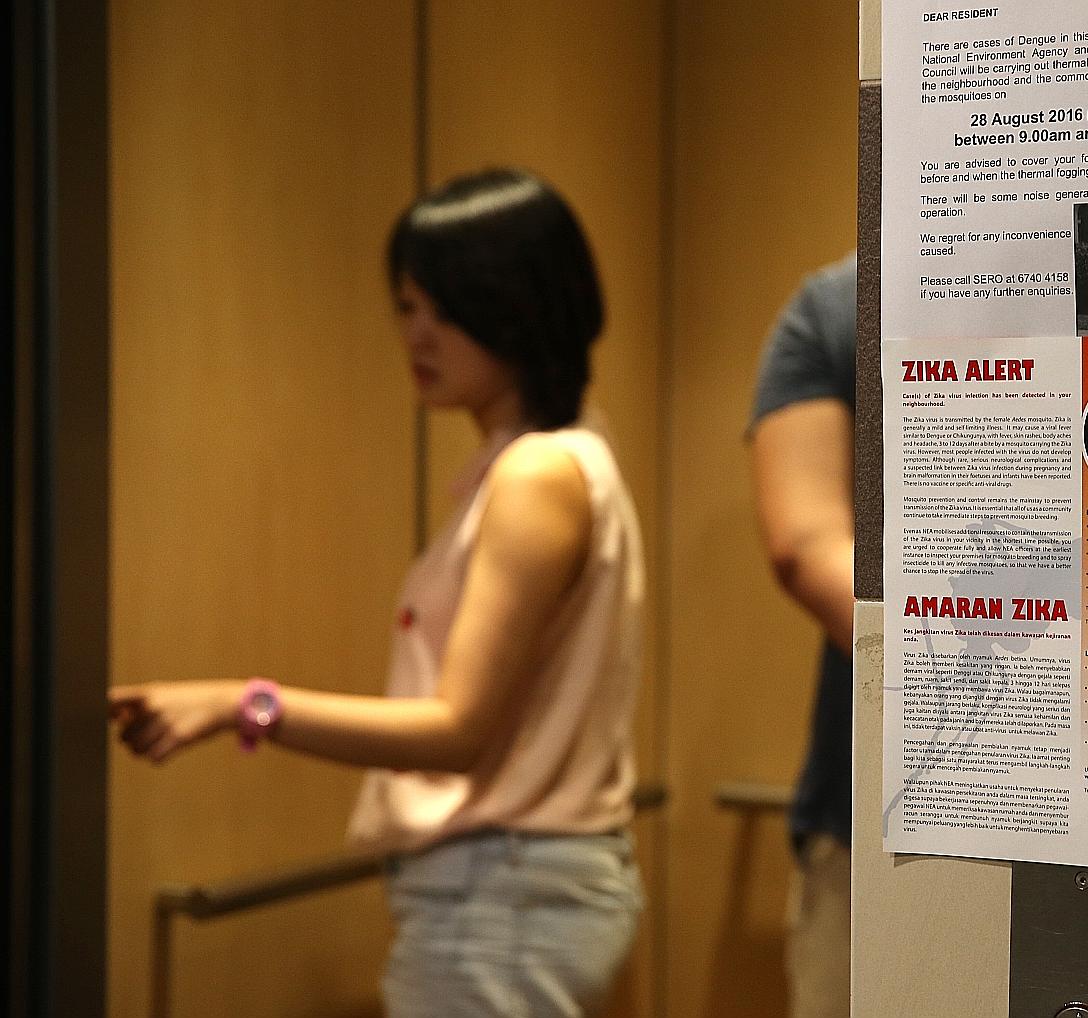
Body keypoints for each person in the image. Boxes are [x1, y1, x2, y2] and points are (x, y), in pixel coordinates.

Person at [109, 168, 645, 1018]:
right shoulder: (560, 453)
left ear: (521, 305)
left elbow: (457, 729)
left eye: (445, 308)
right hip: (513, 891)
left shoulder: (537, 471)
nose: (418, 336)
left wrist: (242, 704)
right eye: (406, 308)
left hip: (501, 898)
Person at [748, 253, 856, 1018]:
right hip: (866, 804)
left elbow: (805, 547)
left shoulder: (839, 300)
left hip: (876, 802)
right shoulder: (840, 305)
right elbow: (805, 547)